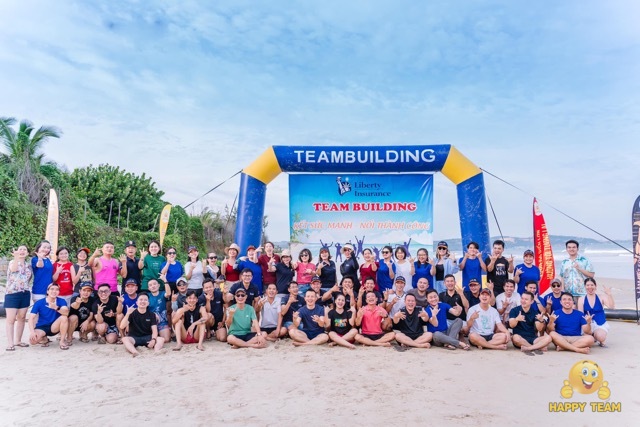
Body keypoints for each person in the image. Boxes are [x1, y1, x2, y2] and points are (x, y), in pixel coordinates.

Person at [5, 245, 33, 351]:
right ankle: (10, 343)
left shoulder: (28, 265)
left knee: (21, 317)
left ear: (27, 253)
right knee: (11, 319)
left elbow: (28, 279)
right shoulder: (12, 262)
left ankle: (18, 340)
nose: (22, 251)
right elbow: (14, 269)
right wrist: (16, 257)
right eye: (20, 249)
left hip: (25, 293)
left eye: (24, 249)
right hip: (12, 293)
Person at [120, 293, 165, 357]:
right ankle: (135, 352)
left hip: (147, 337)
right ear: (137, 302)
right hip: (134, 338)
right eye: (141, 300)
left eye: (145, 300)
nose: (143, 301)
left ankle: (156, 351)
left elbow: (154, 330)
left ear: (148, 303)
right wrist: (127, 314)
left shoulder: (152, 314)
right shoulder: (131, 313)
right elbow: (122, 326)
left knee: (161, 339)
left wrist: (153, 340)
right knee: (125, 339)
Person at [28, 283, 70, 350]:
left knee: (64, 317)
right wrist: (32, 332)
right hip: (42, 326)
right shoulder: (39, 302)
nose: (54, 291)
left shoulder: (61, 301)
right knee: (33, 341)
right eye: (52, 289)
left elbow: (66, 313)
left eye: (57, 290)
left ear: (59, 292)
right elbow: (31, 318)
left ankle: (62, 341)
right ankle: (44, 338)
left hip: (55, 326)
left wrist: (56, 307)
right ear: (47, 291)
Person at [578, 278, 614, 347]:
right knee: (587, 340)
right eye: (588, 285)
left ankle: (597, 337)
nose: (590, 287)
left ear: (595, 286)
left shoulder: (601, 297)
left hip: (600, 323)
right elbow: (580, 314)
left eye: (592, 285)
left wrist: (609, 295)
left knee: (601, 337)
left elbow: (611, 307)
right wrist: (587, 322)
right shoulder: (581, 299)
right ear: (585, 286)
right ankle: (591, 335)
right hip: (587, 324)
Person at [147, 278, 172, 344]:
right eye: (150, 285)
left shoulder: (162, 293)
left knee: (166, 339)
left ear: (158, 285)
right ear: (148, 288)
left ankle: (156, 338)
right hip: (150, 322)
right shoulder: (147, 296)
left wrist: (165, 281)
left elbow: (168, 293)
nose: (153, 286)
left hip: (162, 322)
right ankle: (156, 337)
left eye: (154, 284)